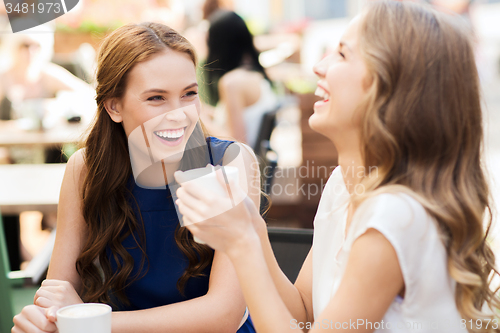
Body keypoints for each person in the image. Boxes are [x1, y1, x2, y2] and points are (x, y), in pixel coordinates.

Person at [175, 1, 500, 332]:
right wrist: (254, 230)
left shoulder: (396, 215)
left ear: (390, 88)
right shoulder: (342, 186)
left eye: (342, 55)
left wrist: (242, 244)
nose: (319, 66)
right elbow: (303, 313)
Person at [11, 22, 258, 333]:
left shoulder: (231, 163)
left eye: (189, 94)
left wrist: (86, 321)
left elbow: (224, 315)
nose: (178, 114)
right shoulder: (86, 170)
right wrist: (45, 320)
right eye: (156, 98)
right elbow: (57, 295)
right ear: (114, 106)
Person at [202, 11, 278, 149]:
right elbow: (246, 117)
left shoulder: (232, 83)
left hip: (237, 166)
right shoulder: (254, 74)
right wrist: (209, 112)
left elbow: (237, 144)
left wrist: (202, 122)